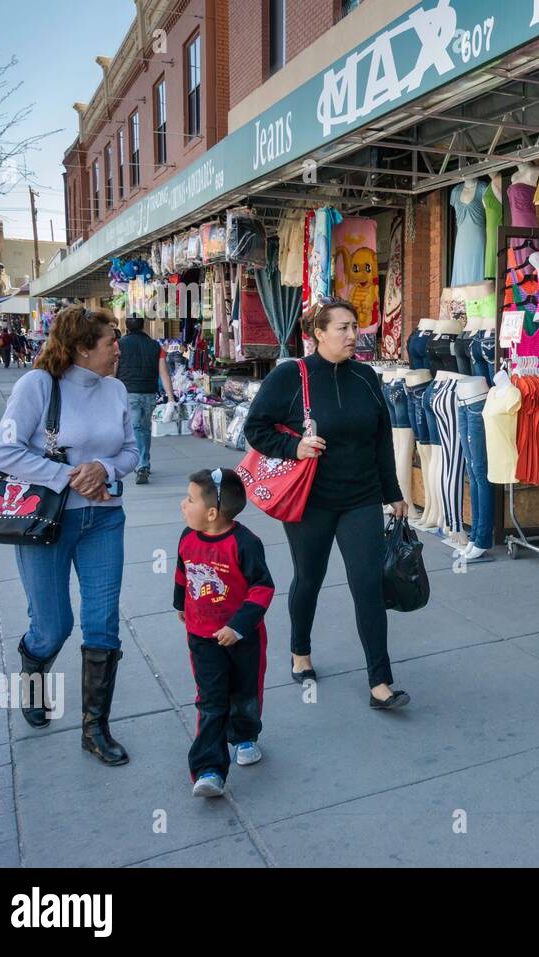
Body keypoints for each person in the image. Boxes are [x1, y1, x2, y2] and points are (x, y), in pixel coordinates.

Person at [244, 297, 411, 710]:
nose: (354, 335)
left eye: (356, 326)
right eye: (344, 328)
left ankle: (380, 682)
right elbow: (255, 428)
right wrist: (294, 446)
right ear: (319, 333)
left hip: (362, 497)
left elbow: (381, 440)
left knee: (367, 585)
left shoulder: (367, 378)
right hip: (311, 501)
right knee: (310, 578)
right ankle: (300, 651)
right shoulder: (290, 376)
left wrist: (393, 493)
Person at [0, 305, 139, 765]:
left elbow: (132, 451)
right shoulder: (38, 385)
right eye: (110, 341)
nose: (119, 348)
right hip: (46, 524)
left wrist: (105, 469)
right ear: (81, 348)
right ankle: (33, 671)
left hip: (105, 521)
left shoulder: (115, 389)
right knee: (52, 627)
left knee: (102, 624)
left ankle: (95, 730)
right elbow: (4, 452)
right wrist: (71, 475)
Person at [174, 468, 274, 798]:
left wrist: (238, 626)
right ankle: (209, 769)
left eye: (189, 500)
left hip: (243, 640)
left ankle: (244, 735)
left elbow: (262, 588)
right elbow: (181, 574)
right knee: (211, 701)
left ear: (213, 513)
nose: (182, 505)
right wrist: (180, 606)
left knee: (245, 694)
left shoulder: (245, 544)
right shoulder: (187, 539)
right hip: (202, 639)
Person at [117, 316, 177, 484]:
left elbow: (113, 371)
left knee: (136, 428)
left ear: (126, 327)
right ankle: (144, 462)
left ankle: (142, 464)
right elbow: (164, 373)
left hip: (129, 392)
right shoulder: (155, 346)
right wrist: (170, 398)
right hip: (149, 393)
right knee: (143, 428)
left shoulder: (119, 345)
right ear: (143, 326)